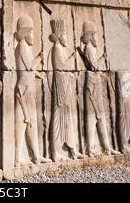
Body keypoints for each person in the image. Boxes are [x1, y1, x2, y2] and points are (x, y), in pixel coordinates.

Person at [14, 15, 50, 165]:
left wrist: (37, 74)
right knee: (22, 124)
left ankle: (36, 155)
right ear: (24, 33)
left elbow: (30, 70)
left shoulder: (25, 47)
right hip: (23, 90)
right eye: (31, 32)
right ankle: (17, 158)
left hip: (28, 89)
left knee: (32, 124)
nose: (32, 35)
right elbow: (29, 67)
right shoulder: (21, 47)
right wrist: (40, 57)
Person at [80, 21, 119, 157]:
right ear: (90, 35)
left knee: (100, 118)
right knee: (92, 118)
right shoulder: (89, 49)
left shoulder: (91, 48)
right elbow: (94, 67)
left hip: (95, 83)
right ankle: (91, 149)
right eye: (95, 34)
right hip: (92, 86)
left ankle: (107, 147)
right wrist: (103, 58)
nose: (96, 37)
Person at [49, 19, 83, 161]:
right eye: (65, 34)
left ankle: (72, 149)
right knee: (58, 120)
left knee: (68, 119)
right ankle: (55, 152)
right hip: (61, 88)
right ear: (59, 35)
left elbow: (65, 69)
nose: (66, 37)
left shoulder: (61, 48)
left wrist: (71, 75)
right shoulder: (56, 49)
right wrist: (72, 57)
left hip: (65, 85)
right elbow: (61, 66)